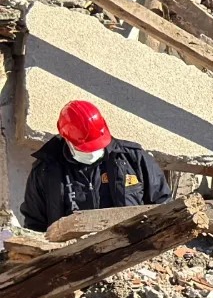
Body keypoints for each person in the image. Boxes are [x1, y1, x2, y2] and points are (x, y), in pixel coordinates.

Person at [21, 100, 171, 233]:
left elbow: (162, 203)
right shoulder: (45, 170)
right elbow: (35, 224)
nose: (93, 152)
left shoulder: (132, 158)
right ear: (66, 138)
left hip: (130, 250)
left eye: (97, 146)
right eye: (86, 148)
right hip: (74, 258)